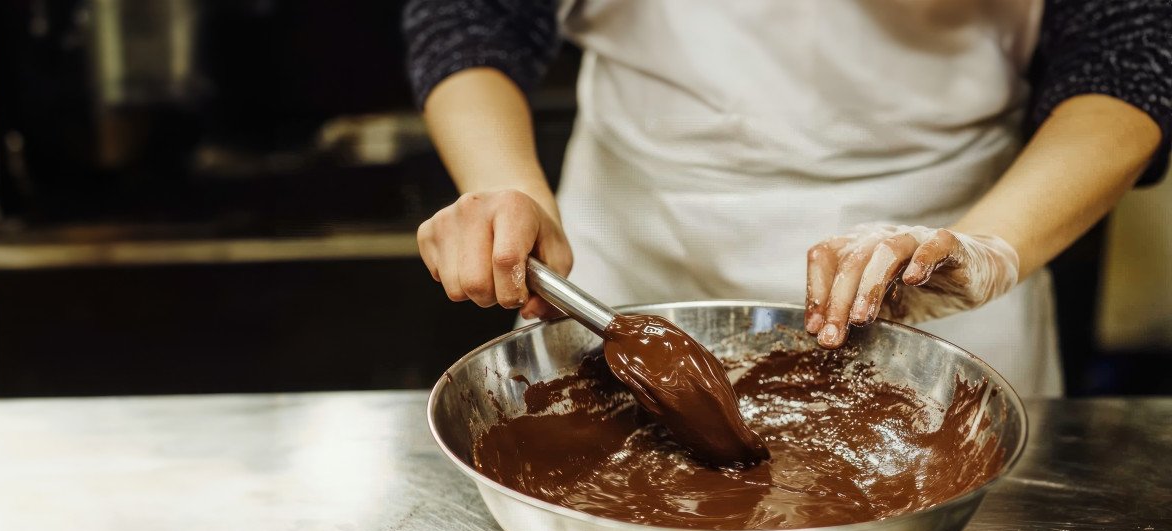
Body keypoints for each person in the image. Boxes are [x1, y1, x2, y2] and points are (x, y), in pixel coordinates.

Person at [405, 0, 1170, 397]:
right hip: (637, 244)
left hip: (953, 248)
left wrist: (993, 246)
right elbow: (472, 15)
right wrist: (502, 181)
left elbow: (1126, 53)